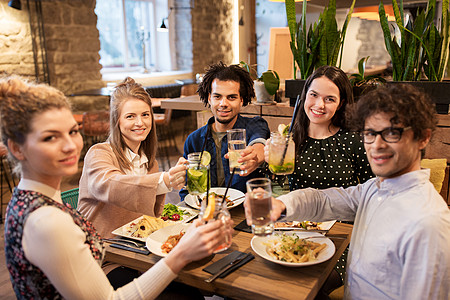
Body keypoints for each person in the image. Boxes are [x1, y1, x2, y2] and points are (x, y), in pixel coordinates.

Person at [2, 76, 231, 299]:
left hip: (134, 254)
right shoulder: (47, 220)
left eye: (72, 131)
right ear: (17, 149)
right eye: (50, 137)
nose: (70, 145)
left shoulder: (33, 200)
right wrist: (181, 253)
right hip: (113, 260)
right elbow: (109, 184)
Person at [251, 83, 450, 299]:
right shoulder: (375, 188)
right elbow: (322, 200)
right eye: (370, 133)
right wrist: (280, 204)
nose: (376, 145)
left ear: (423, 137)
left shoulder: (428, 223)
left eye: (392, 133)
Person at [78, 77, 187, 239]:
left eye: (145, 115)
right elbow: (108, 185)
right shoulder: (99, 153)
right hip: (102, 247)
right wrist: (164, 180)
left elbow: (151, 215)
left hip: (135, 242)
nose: (140, 122)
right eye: (130, 116)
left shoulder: (150, 163)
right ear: (117, 121)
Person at [181, 61, 270, 200]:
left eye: (231, 97)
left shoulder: (255, 125)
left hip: (246, 212)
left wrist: (255, 157)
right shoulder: (194, 140)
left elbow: (259, 143)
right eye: (218, 96)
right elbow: (187, 188)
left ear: (241, 99)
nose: (223, 103)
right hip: (206, 213)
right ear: (209, 98)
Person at [282, 65, 373, 190]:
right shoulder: (290, 136)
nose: (320, 105)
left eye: (329, 99)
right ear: (305, 94)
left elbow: (372, 189)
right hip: (298, 209)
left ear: (340, 104)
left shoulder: (354, 140)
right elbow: (278, 182)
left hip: (343, 210)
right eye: (314, 95)